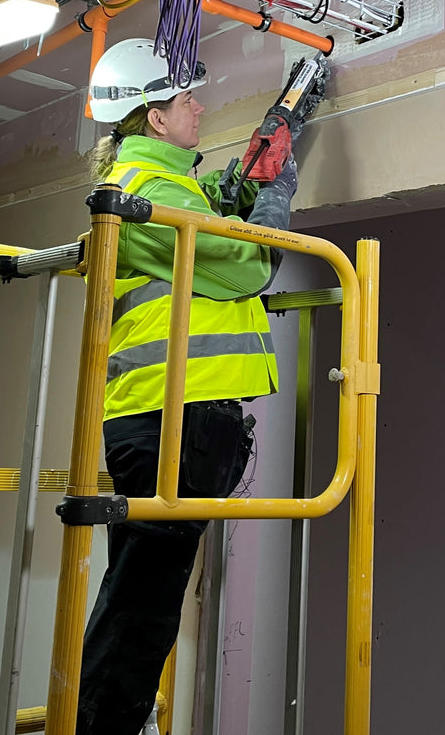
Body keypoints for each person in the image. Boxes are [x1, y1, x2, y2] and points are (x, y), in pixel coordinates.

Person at [78, 39, 299, 735]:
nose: (199, 107)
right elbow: (242, 268)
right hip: (179, 412)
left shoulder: (162, 187)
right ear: (153, 119)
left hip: (168, 414)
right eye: (185, 100)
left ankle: (113, 717)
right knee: (145, 599)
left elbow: (208, 243)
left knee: (137, 589)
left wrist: (237, 190)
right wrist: (273, 204)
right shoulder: (149, 192)